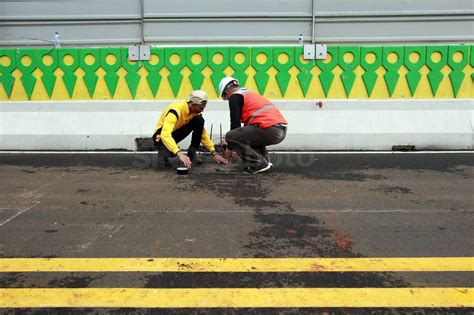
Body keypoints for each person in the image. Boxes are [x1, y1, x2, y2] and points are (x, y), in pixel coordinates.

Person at [219, 77, 288, 174]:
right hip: (280, 130)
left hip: (271, 130)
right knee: (246, 135)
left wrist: (229, 148)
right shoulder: (249, 94)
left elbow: (235, 124)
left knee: (230, 136)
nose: (227, 99)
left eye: (225, 98)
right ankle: (265, 160)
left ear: (226, 93)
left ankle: (258, 163)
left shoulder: (235, 97)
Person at [152, 90, 228, 168]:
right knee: (169, 152)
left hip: (175, 133)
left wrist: (214, 153)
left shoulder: (194, 113)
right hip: (161, 137)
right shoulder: (175, 111)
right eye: (200, 108)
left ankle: (192, 154)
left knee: (199, 120)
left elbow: (202, 133)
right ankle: (163, 155)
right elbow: (165, 135)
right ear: (192, 104)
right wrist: (179, 153)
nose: (202, 110)